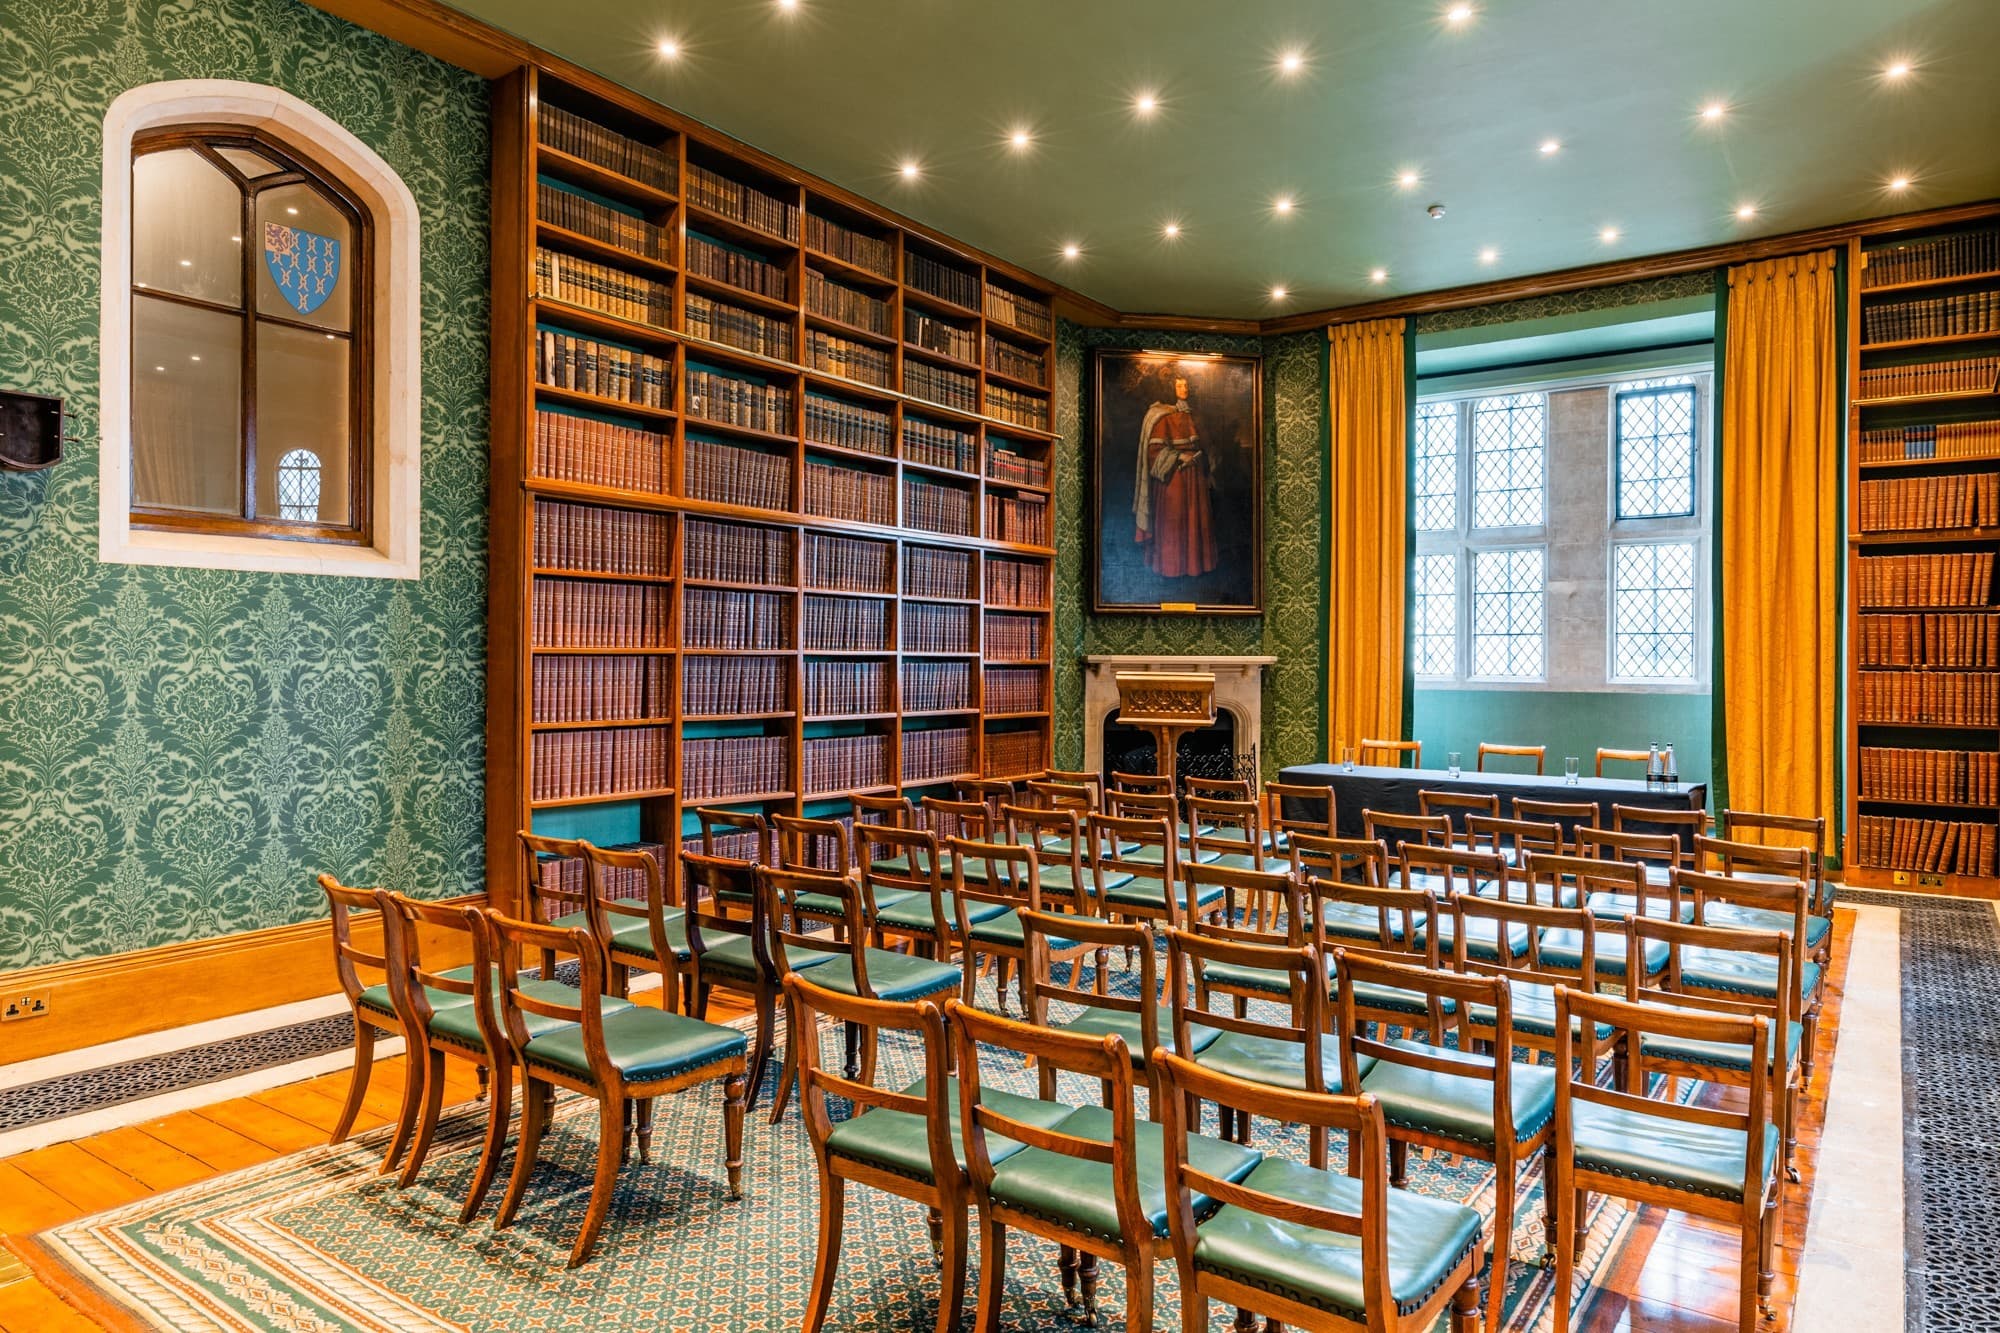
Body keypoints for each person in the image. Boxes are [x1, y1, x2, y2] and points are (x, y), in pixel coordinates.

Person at [1131, 374, 1218, 577]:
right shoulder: (1161, 415)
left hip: (1195, 477)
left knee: (1196, 519)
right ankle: (1172, 569)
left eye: (1186, 384)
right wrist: (1179, 457)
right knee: (1174, 521)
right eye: (1179, 385)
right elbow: (1154, 452)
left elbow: (1205, 444)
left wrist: (1205, 458)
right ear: (1171, 388)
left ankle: (1195, 568)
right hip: (1174, 479)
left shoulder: (1193, 414)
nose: (1184, 388)